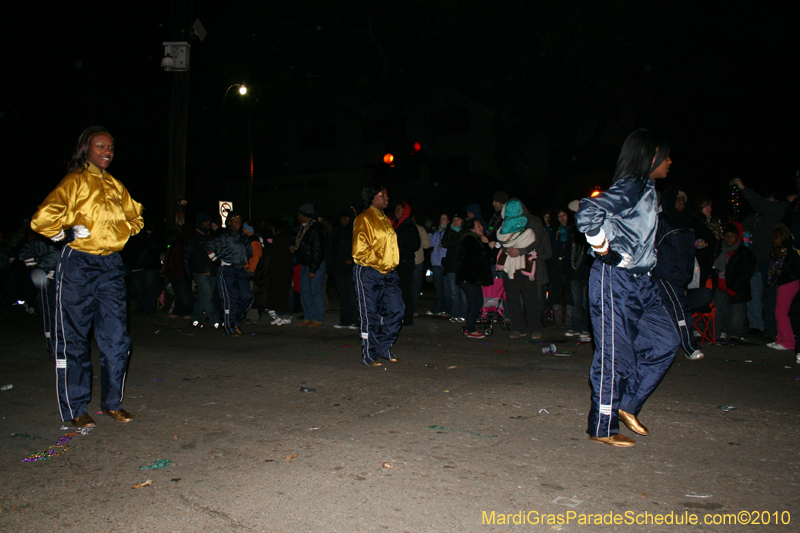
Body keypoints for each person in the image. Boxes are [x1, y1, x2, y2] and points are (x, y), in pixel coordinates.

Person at [30, 125, 144, 428]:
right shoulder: (74, 181)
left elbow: (137, 216)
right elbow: (41, 219)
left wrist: (122, 232)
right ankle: (75, 407)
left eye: (110, 148)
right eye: (100, 147)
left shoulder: (117, 186)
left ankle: (112, 404)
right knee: (74, 337)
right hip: (78, 263)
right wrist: (65, 233)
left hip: (110, 265)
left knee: (117, 338)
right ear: (87, 149)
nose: (106, 152)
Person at [575, 128, 679, 447]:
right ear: (649, 157)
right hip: (614, 280)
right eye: (665, 155)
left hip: (641, 282)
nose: (670, 161)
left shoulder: (647, 188)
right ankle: (602, 427)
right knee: (613, 355)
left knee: (666, 340)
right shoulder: (633, 185)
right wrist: (605, 250)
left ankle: (627, 405)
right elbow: (588, 212)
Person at [352, 184, 403, 366]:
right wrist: (381, 263)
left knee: (397, 309)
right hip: (369, 272)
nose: (386, 198)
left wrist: (390, 265)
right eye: (381, 195)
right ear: (372, 197)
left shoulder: (385, 220)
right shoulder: (364, 218)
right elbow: (359, 251)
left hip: (389, 273)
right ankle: (369, 353)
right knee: (370, 314)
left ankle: (383, 347)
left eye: (386, 195)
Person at [652, 186, 703, 360]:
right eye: (678, 199)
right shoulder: (663, 221)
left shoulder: (687, 222)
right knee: (680, 309)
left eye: (683, 200)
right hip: (666, 273)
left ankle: (659, 347)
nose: (681, 203)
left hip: (681, 276)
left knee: (666, 311)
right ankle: (690, 348)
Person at [496, 199, 541, 340]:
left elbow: (538, 240)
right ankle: (518, 327)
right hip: (509, 264)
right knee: (512, 298)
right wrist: (508, 249)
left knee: (530, 298)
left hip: (525, 264)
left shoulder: (533, 220)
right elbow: (503, 240)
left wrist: (520, 251)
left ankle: (535, 328)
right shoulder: (506, 222)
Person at [205, 212, 254, 337]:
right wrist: (216, 260)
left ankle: (235, 320)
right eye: (235, 221)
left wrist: (242, 259)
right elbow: (209, 246)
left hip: (240, 269)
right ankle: (229, 327)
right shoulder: (224, 235)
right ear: (229, 222)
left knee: (247, 296)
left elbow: (249, 251)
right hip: (227, 269)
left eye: (239, 221)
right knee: (230, 299)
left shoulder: (242, 236)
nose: (238, 224)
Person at [713, 222, 757, 343]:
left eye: (732, 236)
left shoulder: (743, 252)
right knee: (719, 311)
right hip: (720, 286)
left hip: (736, 288)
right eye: (726, 235)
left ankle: (734, 334)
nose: (728, 239)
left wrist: (735, 288)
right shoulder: (719, 248)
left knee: (736, 312)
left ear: (737, 236)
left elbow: (745, 274)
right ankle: (719, 333)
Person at [183, 213, 221, 329]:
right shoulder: (193, 238)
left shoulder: (213, 237)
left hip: (212, 271)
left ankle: (195, 318)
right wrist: (188, 273)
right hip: (200, 271)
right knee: (208, 296)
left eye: (209, 221)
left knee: (203, 296)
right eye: (205, 222)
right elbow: (186, 256)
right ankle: (215, 321)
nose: (208, 224)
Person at [457, 218, 494, 338]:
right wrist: (487, 246)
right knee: (475, 303)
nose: (482, 227)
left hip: (472, 278)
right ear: (472, 228)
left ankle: (469, 328)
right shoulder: (470, 239)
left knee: (476, 302)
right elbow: (478, 258)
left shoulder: (474, 239)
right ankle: (471, 329)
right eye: (478, 225)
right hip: (469, 277)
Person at [766, 224, 799, 350]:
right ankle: (780, 338)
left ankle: (788, 341)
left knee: (781, 312)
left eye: (776, 237)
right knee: (778, 311)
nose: (774, 240)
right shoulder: (784, 248)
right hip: (784, 282)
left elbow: (780, 255)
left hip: (789, 281)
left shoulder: (788, 248)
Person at [293, 204, 327, 327]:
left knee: (315, 291)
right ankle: (308, 316)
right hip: (305, 263)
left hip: (314, 265)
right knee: (305, 291)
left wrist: (313, 269)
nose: (298, 217)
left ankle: (318, 318)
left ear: (305, 216)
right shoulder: (303, 228)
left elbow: (317, 250)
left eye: (300, 215)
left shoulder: (316, 229)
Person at [328, 208, 359, 329]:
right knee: (343, 295)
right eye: (342, 217)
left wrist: (352, 260)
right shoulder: (336, 231)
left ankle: (355, 320)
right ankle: (345, 320)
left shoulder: (354, 231)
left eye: (346, 217)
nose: (344, 220)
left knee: (352, 294)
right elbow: (331, 248)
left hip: (350, 268)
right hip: (338, 268)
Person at [427, 213, 451, 317]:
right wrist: (431, 233)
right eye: (441, 219)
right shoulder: (436, 232)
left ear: (448, 221)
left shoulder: (449, 232)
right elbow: (430, 244)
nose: (442, 221)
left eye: (444, 219)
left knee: (446, 288)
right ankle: (437, 308)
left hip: (444, 263)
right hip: (436, 263)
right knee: (438, 287)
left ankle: (446, 309)